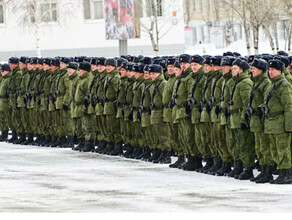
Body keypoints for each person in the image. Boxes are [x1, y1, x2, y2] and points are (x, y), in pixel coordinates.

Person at [260, 59, 292, 184]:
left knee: (283, 150)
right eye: (269, 70)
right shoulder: (272, 85)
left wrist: (289, 125)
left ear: (280, 70)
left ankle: (287, 173)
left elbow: (289, 106)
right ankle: (281, 171)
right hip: (272, 123)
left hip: (281, 124)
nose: (270, 72)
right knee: (275, 150)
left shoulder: (284, 85)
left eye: (273, 70)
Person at [248, 58, 272, 183]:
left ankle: (267, 172)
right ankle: (263, 170)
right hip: (255, 119)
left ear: (261, 70)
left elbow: (266, 101)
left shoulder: (265, 83)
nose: (251, 70)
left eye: (254, 68)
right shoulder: (255, 82)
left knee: (264, 146)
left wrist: (259, 110)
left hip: (262, 119)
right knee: (259, 147)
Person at [229, 59, 254, 180]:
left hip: (240, 118)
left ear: (242, 70)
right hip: (235, 118)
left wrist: (244, 119)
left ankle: (248, 169)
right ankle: (240, 166)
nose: (232, 70)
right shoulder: (237, 82)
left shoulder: (245, 83)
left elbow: (246, 103)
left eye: (235, 68)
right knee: (239, 144)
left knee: (245, 145)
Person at [0, 64, 12, 142]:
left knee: (7, 119)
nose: (1, 72)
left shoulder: (8, 79)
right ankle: (3, 133)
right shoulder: (3, 79)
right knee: (2, 119)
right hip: (2, 101)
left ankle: (5, 134)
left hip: (6, 101)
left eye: (3, 71)